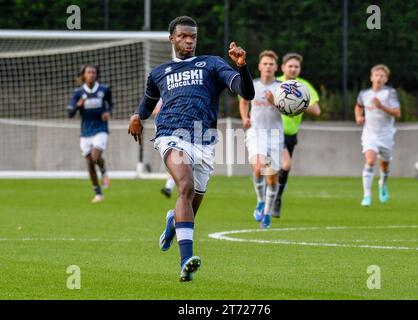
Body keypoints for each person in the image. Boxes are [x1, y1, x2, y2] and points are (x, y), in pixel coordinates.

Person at [128, 16, 254, 282]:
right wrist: (136, 118)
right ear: (172, 38)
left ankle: (174, 220)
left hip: (204, 141)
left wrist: (242, 67)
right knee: (183, 186)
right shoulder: (159, 73)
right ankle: (186, 262)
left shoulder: (212, 64)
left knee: (190, 206)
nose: (189, 40)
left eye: (193, 37)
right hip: (171, 135)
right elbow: (147, 105)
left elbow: (246, 92)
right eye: (183, 36)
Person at [273, 53, 321, 217]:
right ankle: (276, 199)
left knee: (282, 168)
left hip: (290, 135)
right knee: (285, 165)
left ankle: (275, 194)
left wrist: (297, 102)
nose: (293, 69)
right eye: (290, 66)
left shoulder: (304, 87)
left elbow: (316, 110)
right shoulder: (275, 82)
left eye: (296, 66)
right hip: (272, 131)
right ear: (283, 67)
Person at [239, 50, 283, 229]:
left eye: (271, 64)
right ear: (259, 66)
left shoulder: (283, 87)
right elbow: (243, 101)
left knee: (271, 179)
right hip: (255, 132)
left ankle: (267, 211)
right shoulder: (253, 85)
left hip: (275, 135)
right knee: (258, 167)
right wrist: (244, 118)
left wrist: (274, 102)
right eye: (265, 63)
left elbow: (290, 111)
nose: (268, 67)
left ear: (276, 67)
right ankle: (259, 201)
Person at [354, 64, 401, 207]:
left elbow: (397, 113)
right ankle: (367, 196)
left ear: (386, 79)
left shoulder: (390, 93)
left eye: (382, 76)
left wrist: (381, 106)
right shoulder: (364, 94)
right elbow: (358, 106)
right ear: (371, 77)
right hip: (370, 134)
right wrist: (358, 117)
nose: (379, 78)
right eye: (376, 75)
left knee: (385, 165)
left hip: (386, 134)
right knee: (370, 161)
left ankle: (383, 184)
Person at [68, 64, 113, 203]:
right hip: (85, 132)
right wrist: (78, 106)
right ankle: (98, 192)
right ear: (83, 75)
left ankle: (104, 172)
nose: (91, 74)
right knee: (89, 162)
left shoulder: (104, 89)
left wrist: (108, 112)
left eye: (93, 72)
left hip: (100, 129)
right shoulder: (78, 92)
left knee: (94, 157)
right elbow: (70, 113)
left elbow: (111, 104)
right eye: (88, 72)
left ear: (96, 74)